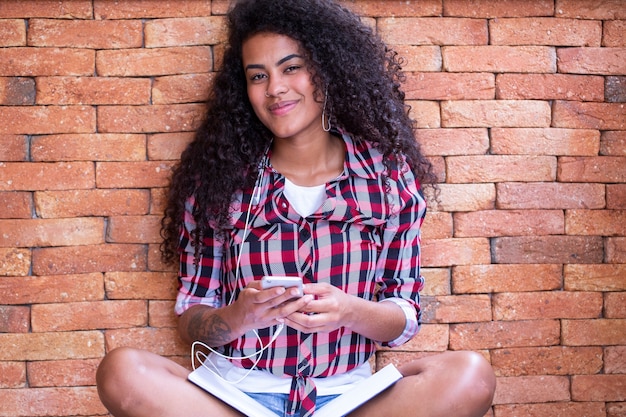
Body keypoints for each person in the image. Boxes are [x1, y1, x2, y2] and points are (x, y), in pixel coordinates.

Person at [96, 0, 496, 416]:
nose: (275, 88)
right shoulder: (219, 180)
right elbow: (192, 315)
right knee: (123, 371)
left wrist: (349, 311)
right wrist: (238, 317)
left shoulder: (388, 177)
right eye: (258, 76)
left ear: (327, 70)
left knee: (471, 375)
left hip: (344, 402)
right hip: (234, 399)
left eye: (291, 68)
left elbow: (404, 313)